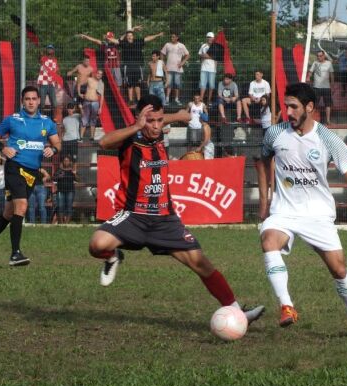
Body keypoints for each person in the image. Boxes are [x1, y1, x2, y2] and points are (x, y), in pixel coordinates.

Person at [87, 94, 265, 324]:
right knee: (96, 245)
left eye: (159, 121)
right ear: (139, 119)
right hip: (133, 216)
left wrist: (179, 116)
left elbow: (163, 117)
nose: (156, 125)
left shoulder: (159, 128)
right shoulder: (130, 139)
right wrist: (137, 125)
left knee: (201, 264)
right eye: (149, 121)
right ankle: (113, 257)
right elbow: (103, 142)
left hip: (164, 219)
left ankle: (238, 313)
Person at [256, 83, 347, 338]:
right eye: (286, 106)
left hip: (318, 214)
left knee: (338, 269)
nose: (288, 112)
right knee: (269, 240)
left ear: (310, 108)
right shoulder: (274, 133)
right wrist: (264, 204)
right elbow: (262, 161)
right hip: (285, 211)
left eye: (294, 107)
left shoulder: (327, 138)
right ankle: (286, 306)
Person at [0, 86, 61, 267]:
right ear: (22, 101)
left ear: (39, 101)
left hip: (32, 172)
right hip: (14, 168)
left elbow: (58, 144)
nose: (30, 102)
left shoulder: (47, 122)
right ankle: (15, 254)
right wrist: (3, 148)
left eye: (34, 99)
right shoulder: (12, 120)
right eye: (27, 99)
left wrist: (52, 149)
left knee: (9, 212)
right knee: (21, 206)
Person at [108, 27, 165, 105]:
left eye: (131, 35)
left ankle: (138, 100)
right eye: (128, 35)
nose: (129, 36)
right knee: (129, 85)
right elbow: (115, 40)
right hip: (127, 66)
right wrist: (108, 38)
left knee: (138, 84)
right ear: (126, 36)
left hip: (138, 66)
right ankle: (130, 100)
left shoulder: (138, 41)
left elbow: (147, 38)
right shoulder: (123, 43)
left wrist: (157, 35)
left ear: (133, 36)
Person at [161, 33, 190, 105]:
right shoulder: (167, 44)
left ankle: (176, 99)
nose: (172, 38)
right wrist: (163, 63)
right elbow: (162, 53)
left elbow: (188, 55)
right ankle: (167, 99)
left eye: (173, 37)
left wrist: (182, 63)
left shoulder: (181, 45)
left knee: (177, 84)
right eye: (171, 37)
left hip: (178, 69)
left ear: (177, 37)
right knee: (168, 84)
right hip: (168, 68)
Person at [309, 50, 334, 124]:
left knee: (328, 104)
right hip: (316, 87)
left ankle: (328, 120)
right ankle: (310, 120)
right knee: (314, 104)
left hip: (326, 87)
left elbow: (332, 74)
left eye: (320, 56)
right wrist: (307, 79)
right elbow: (310, 72)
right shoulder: (315, 63)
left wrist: (332, 85)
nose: (319, 57)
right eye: (318, 56)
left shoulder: (329, 63)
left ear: (324, 56)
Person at [186, 94, 213, 159]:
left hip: (199, 127)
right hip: (191, 126)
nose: (196, 100)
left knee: (199, 142)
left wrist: (205, 118)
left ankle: (198, 156)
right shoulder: (190, 104)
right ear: (193, 98)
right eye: (195, 98)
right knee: (190, 143)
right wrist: (187, 121)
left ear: (200, 98)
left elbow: (206, 113)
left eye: (198, 98)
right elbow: (185, 112)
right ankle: (189, 156)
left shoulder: (205, 127)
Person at [53, 155, 78, 224]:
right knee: (60, 207)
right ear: (62, 162)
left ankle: (67, 224)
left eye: (67, 161)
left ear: (70, 162)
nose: (66, 162)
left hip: (70, 191)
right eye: (64, 161)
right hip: (60, 191)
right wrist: (58, 176)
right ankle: (61, 224)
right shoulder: (59, 170)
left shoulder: (72, 171)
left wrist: (75, 174)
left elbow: (77, 180)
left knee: (69, 207)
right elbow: (54, 181)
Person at [80, 69, 104, 141]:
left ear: (101, 76)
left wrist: (100, 107)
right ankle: (81, 137)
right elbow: (80, 84)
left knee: (93, 120)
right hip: (86, 101)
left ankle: (92, 137)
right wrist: (79, 94)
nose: (99, 75)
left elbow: (102, 96)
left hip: (95, 102)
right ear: (95, 73)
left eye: (100, 74)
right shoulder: (89, 79)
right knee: (84, 119)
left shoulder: (101, 84)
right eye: (98, 73)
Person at [36, 44, 61, 114]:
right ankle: (40, 117)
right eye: (48, 49)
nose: (50, 50)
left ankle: (53, 118)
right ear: (46, 50)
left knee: (54, 104)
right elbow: (39, 57)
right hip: (43, 84)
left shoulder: (55, 60)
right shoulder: (43, 58)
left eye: (51, 49)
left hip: (51, 84)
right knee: (42, 103)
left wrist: (57, 82)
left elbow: (57, 72)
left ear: (53, 50)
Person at [198, 32, 217, 104]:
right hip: (204, 68)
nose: (209, 38)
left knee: (211, 85)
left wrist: (206, 56)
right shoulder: (203, 45)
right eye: (208, 37)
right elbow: (200, 55)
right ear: (206, 38)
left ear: (213, 38)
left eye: (210, 37)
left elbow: (216, 57)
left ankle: (209, 100)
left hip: (212, 69)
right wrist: (210, 56)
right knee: (202, 84)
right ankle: (201, 100)